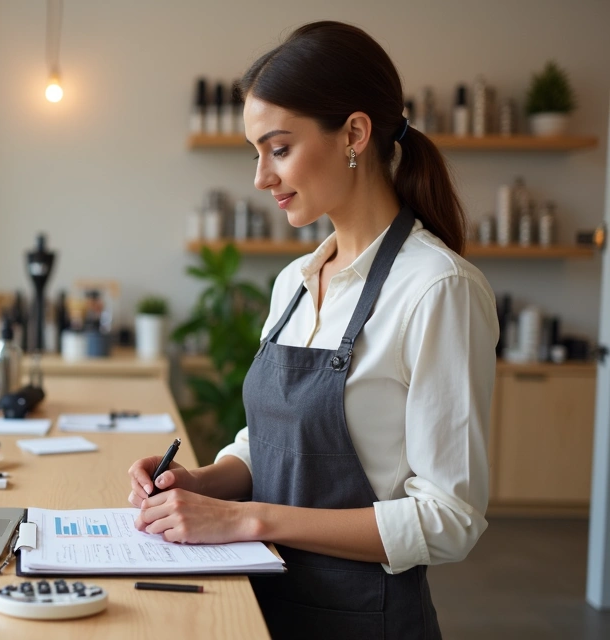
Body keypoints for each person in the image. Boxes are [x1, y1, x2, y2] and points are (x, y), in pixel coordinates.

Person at [126, 22, 496, 638]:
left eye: (278, 149)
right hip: (264, 606)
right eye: (256, 153)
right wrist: (202, 483)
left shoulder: (438, 289)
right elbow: (270, 443)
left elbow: (449, 519)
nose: (261, 177)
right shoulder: (294, 281)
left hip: (363, 620)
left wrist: (249, 520)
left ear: (354, 134)